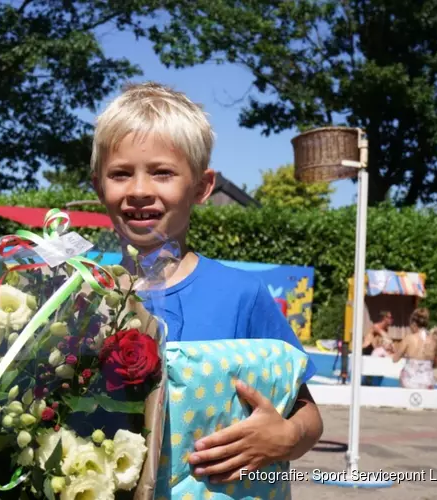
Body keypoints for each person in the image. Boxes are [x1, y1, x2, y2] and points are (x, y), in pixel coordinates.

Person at [90, 81, 323, 486]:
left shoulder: (241, 296)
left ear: (201, 187)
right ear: (98, 185)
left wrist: (286, 436)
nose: (140, 190)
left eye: (163, 173)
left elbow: (308, 414)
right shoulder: (81, 297)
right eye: (121, 174)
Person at [392, 308, 437, 389]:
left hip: (409, 382)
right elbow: (435, 364)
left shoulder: (408, 338)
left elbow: (395, 359)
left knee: (403, 374)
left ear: (413, 324)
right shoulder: (433, 340)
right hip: (427, 382)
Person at [361, 311, 395, 386]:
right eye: (390, 318)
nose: (392, 319)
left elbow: (383, 343)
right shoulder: (376, 327)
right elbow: (387, 338)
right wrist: (393, 348)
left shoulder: (386, 329)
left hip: (373, 352)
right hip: (366, 351)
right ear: (384, 318)